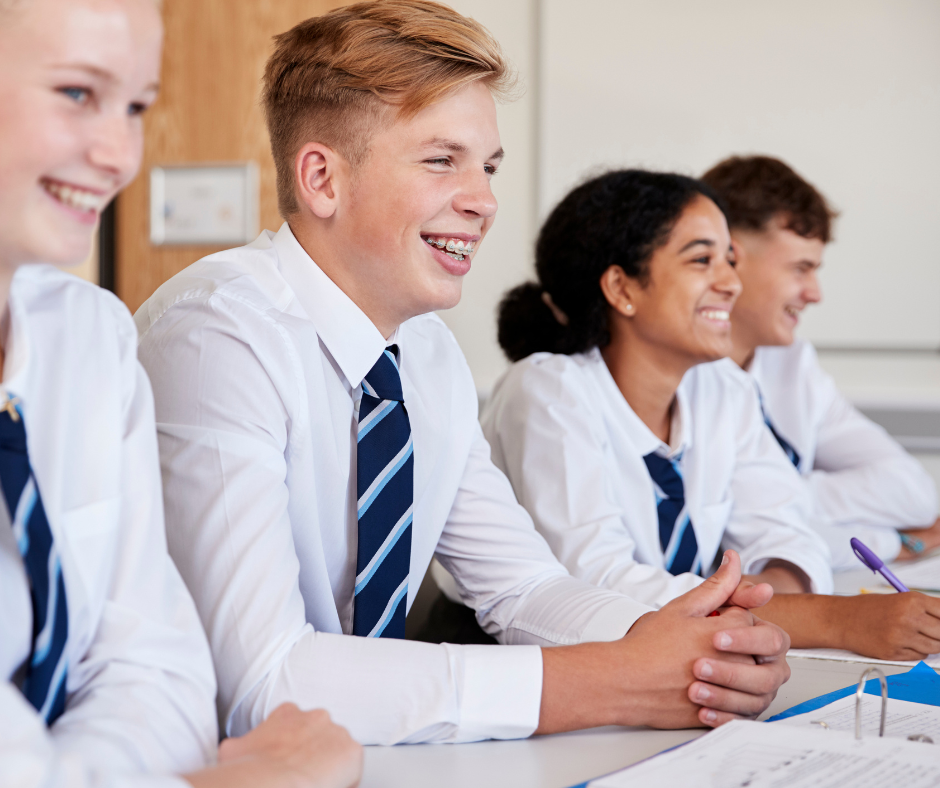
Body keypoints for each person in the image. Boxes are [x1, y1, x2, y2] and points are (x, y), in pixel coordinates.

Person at [135, 0, 792, 746]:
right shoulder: (217, 332)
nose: (483, 201)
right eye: (442, 160)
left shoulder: (427, 354)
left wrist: (697, 648)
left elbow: (521, 587)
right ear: (322, 178)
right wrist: (615, 678)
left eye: (489, 167)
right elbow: (265, 681)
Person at [0, 0, 362, 786]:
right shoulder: (221, 326)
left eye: (135, 106)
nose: (118, 153)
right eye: (75, 94)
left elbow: (158, 675)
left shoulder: (88, 339)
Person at [482, 169, 940, 662]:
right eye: (703, 260)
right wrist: (828, 619)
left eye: (730, 260)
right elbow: (598, 585)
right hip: (545, 667)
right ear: (621, 287)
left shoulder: (721, 387)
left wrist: (755, 606)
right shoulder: (549, 390)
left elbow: (787, 531)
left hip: (693, 656)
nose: (730, 283)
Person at [700, 155, 940, 568]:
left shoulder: (793, 364)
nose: (814, 293)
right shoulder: (677, 373)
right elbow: (719, 542)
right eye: (801, 268)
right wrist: (889, 544)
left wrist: (775, 496)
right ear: (730, 258)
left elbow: (914, 493)